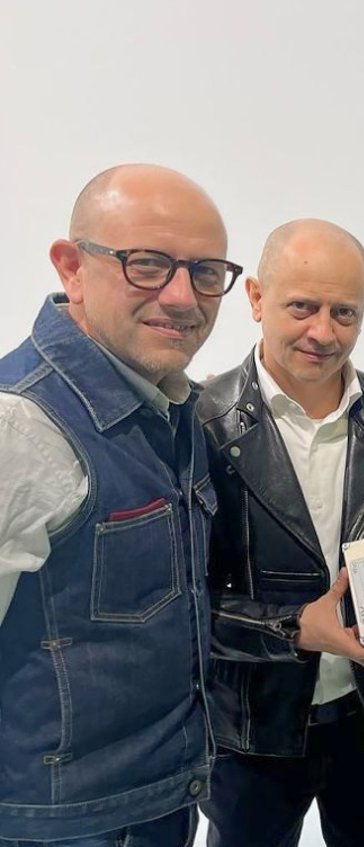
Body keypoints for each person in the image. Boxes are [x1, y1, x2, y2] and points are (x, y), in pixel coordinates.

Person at [0, 164, 237, 845]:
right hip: (62, 825)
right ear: (72, 267)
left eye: (205, 271)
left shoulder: (172, 402)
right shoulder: (19, 429)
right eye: (148, 264)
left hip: (159, 799)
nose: (182, 296)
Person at [196, 219, 364, 847]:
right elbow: (179, 605)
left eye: (344, 313)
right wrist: (293, 628)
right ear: (257, 298)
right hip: (247, 731)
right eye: (302, 307)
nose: (323, 332)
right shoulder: (199, 424)